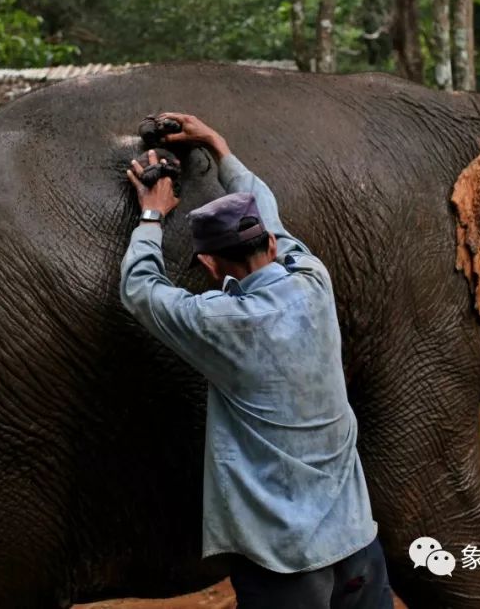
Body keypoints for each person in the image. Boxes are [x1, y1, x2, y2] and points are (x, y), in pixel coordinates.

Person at [119, 113, 392, 609]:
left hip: (286, 563)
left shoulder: (219, 323)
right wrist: (219, 146)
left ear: (207, 264)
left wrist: (152, 214)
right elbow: (270, 215)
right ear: (269, 243)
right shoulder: (314, 281)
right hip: (357, 544)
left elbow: (141, 290)